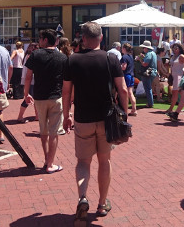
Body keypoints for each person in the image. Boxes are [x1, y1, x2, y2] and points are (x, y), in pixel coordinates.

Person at [62, 21, 128, 226]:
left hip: (83, 118)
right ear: (100, 38)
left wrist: (66, 115)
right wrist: (124, 114)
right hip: (107, 118)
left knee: (83, 162)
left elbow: (66, 92)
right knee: (104, 160)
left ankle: (82, 197)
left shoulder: (72, 60)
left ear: (83, 38)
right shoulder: (111, 58)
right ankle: (101, 203)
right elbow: (123, 89)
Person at [24, 29, 67, 173]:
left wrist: (26, 94)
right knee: (54, 132)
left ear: (45, 40)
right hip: (56, 97)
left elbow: (28, 76)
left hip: (40, 97)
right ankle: (50, 163)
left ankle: (46, 159)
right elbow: (66, 80)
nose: (39, 41)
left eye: (40, 38)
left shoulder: (35, 54)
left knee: (43, 130)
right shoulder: (62, 57)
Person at [166, 43, 184, 114]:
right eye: (173, 48)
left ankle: (171, 109)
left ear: (180, 49)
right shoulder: (174, 56)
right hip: (174, 75)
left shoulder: (181, 56)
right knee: (180, 92)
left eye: (176, 48)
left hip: (178, 76)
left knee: (175, 93)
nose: (174, 50)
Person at [17, 42, 40, 123]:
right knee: (28, 99)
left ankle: (37, 116)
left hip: (30, 80)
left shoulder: (28, 56)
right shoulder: (30, 56)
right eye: (37, 48)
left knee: (34, 98)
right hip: (31, 80)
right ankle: (20, 116)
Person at [136, 40, 158, 108]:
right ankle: (150, 102)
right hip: (153, 72)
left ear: (146, 48)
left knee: (148, 88)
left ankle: (150, 103)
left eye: (143, 48)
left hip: (148, 72)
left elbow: (145, 64)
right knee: (149, 87)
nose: (143, 49)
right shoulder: (153, 53)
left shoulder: (148, 54)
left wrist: (140, 59)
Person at [120, 43, 137, 116]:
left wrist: (117, 67)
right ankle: (134, 109)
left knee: (125, 93)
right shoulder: (130, 57)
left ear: (124, 48)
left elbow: (124, 67)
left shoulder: (124, 57)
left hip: (126, 75)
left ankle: (125, 110)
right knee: (130, 93)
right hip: (131, 75)